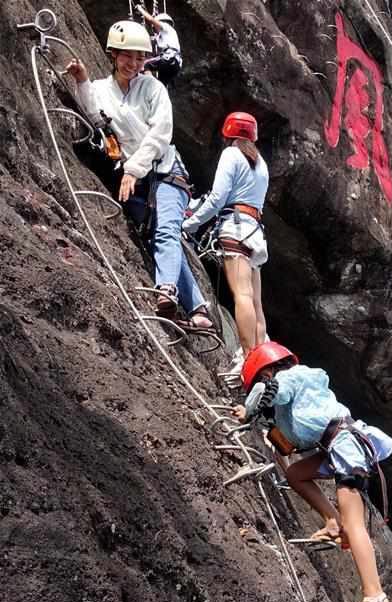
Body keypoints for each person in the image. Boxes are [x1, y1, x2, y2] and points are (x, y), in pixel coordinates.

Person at [233, 342, 392, 602]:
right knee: (297, 474)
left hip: (344, 446)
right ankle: (332, 522)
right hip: (337, 447)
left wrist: (248, 410)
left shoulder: (288, 379)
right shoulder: (305, 382)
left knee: (355, 524)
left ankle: (374, 594)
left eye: (261, 378)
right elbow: (288, 438)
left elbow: (270, 394)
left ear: (268, 371)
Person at [66, 21, 212, 330]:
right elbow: (95, 116)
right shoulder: (103, 90)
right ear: (114, 54)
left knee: (166, 232)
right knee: (159, 234)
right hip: (135, 177)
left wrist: (132, 170)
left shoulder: (153, 88)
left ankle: (167, 291)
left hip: (166, 171)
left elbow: (160, 134)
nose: (134, 63)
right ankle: (198, 309)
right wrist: (81, 80)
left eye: (140, 57)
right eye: (127, 56)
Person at [183, 112, 269, 372]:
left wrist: (190, 223)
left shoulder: (232, 154)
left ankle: (249, 358)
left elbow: (218, 198)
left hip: (236, 227)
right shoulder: (260, 162)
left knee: (242, 296)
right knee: (256, 303)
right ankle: (261, 361)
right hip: (256, 232)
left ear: (227, 133)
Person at [135, 5, 182, 87]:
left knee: (144, 65)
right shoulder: (166, 35)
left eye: (154, 27)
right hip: (175, 64)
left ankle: (152, 86)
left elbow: (151, 20)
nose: (154, 29)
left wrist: (141, 10)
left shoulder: (166, 27)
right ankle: (158, 93)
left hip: (169, 58)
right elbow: (151, 40)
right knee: (161, 86)